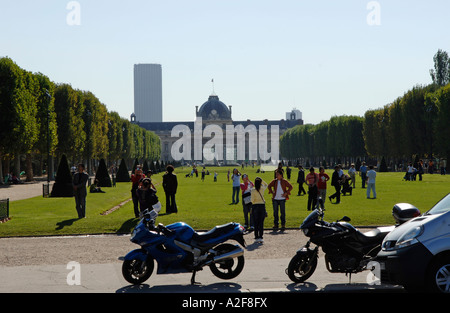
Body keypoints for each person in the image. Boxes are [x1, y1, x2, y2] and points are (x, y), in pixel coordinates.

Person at [251, 177, 268, 243]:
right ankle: (261, 236)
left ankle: (256, 236)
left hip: (255, 206)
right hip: (262, 206)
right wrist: (262, 180)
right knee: (261, 222)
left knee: (256, 222)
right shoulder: (262, 189)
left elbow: (252, 200)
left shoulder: (253, 190)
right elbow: (266, 185)